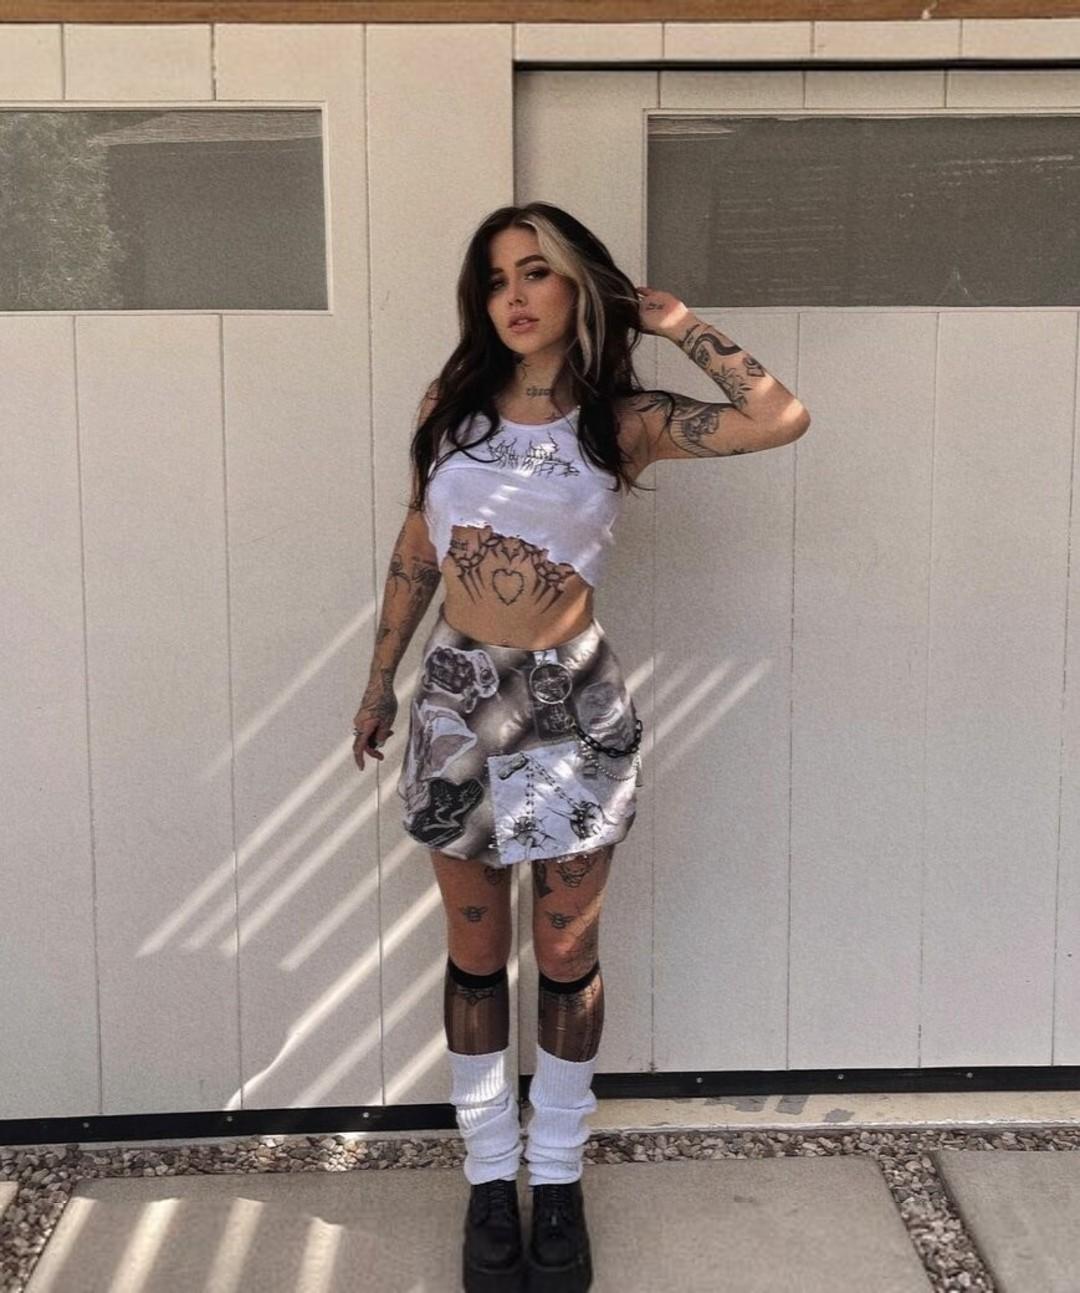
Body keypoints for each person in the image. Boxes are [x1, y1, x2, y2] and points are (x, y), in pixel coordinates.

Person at [351, 202, 810, 1292]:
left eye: (537, 272)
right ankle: (488, 1176)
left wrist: (675, 321)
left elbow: (779, 418)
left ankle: (555, 1176)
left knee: (564, 954)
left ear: (576, 287)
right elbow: (419, 541)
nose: (514, 296)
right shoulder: (450, 410)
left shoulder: (621, 421)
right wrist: (379, 677)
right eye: (496, 277)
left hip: (569, 706)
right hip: (458, 700)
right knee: (476, 951)